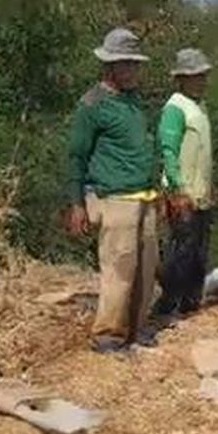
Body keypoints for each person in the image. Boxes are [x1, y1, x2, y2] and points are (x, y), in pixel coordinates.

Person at [65, 28, 160, 354]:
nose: (134, 70)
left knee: (146, 269)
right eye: (127, 64)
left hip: (145, 196)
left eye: (136, 64)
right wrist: (77, 203)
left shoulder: (134, 101)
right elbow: (77, 155)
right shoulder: (93, 104)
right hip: (114, 198)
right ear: (110, 66)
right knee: (119, 271)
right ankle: (108, 335)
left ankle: (138, 328)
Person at [154, 48, 214, 321]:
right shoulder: (175, 108)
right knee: (182, 249)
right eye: (194, 76)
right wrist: (178, 188)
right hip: (183, 192)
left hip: (201, 191)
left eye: (202, 76)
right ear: (181, 79)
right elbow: (168, 150)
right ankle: (168, 304)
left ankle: (191, 302)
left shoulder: (199, 106)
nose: (200, 81)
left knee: (199, 249)